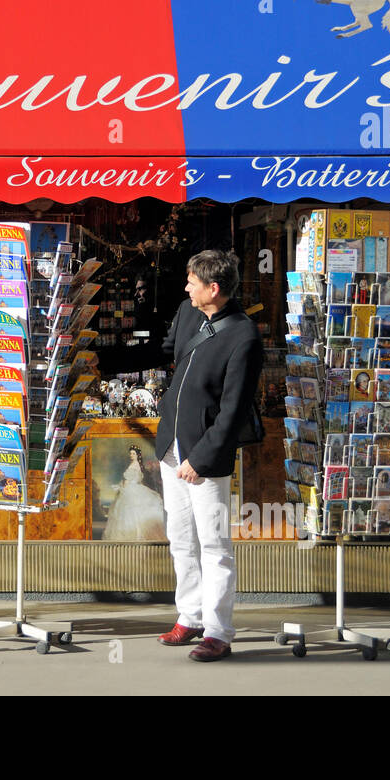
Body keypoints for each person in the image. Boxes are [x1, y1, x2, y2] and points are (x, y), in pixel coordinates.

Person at [154, 250, 264, 662]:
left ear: (213, 288)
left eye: (192, 282)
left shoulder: (244, 335)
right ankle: (191, 614)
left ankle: (218, 630)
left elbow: (234, 409)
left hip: (206, 459)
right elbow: (169, 351)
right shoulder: (186, 311)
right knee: (180, 540)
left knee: (214, 545)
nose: (186, 288)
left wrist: (200, 458)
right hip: (171, 447)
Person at [102, 446, 168, 541]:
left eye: (133, 453)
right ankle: (135, 535)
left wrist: (122, 487)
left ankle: (135, 535)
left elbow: (128, 480)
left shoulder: (134, 465)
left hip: (131, 489)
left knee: (131, 512)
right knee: (129, 513)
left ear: (138, 455)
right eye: (131, 453)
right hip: (133, 488)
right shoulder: (136, 465)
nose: (131, 455)